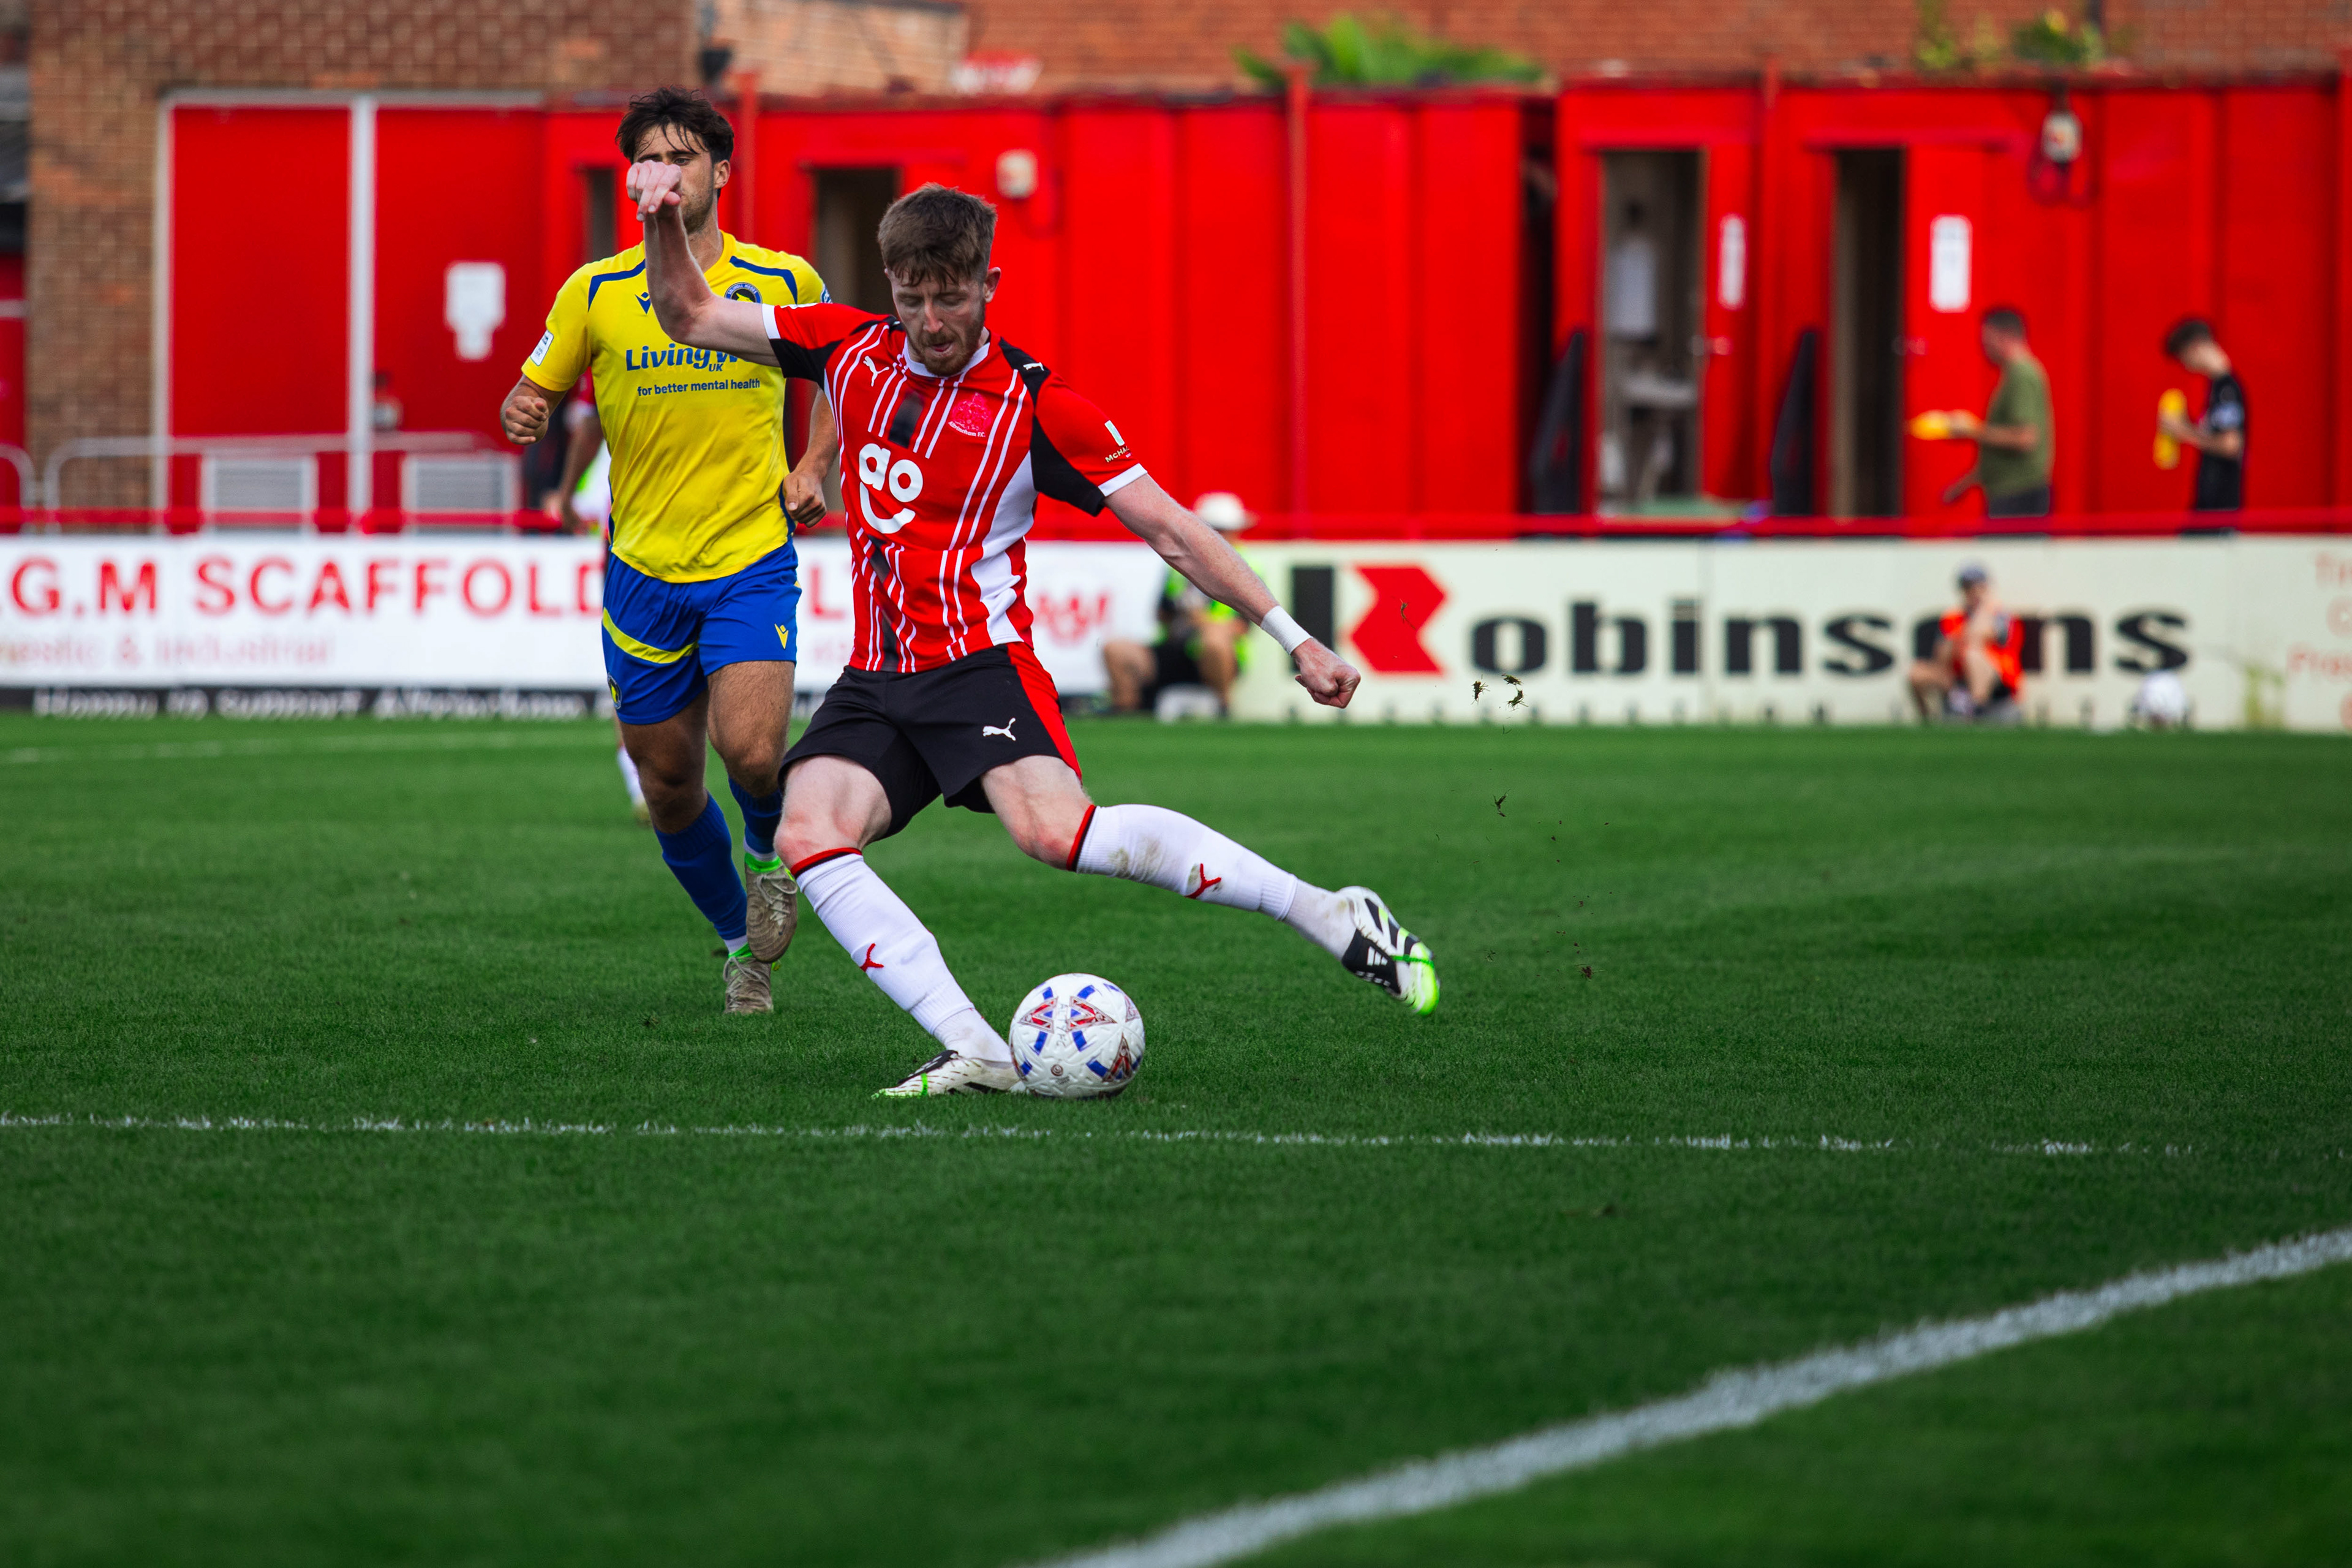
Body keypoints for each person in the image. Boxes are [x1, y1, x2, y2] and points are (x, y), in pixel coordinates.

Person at [631, 166, 1441, 1096]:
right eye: (912, 298)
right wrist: (662, 219)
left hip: (980, 668)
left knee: (1057, 834)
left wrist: (1296, 638)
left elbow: (1174, 531)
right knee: (811, 827)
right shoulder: (844, 347)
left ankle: (1328, 913)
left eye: (951, 298)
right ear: (890, 288)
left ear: (989, 287)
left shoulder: (1038, 407)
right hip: (878, 676)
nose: (932, 322)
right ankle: (976, 1050)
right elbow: (688, 312)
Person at [499, 86, 839, 1016]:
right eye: (651, 157)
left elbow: (843, 379)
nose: (668, 171)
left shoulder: (783, 282)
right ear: (633, 177)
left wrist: (812, 462)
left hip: (748, 556)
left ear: (720, 174)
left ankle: (768, 857)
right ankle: (741, 947)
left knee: (756, 755)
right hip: (642, 571)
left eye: (685, 156)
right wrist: (521, 411)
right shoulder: (594, 294)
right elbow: (529, 395)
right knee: (669, 781)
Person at [551, 371, 649, 826]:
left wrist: (569, 499)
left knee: (631, 672)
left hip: (627, 557)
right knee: (634, 672)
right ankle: (642, 784)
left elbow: (585, 503)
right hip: (632, 557)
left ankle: (645, 784)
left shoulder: (617, 387)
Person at [1101, 490, 1254, 715]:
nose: (1219, 535)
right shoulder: (1178, 566)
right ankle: (1127, 711)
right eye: (1213, 528)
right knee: (1115, 649)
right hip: (1174, 649)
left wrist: (1201, 622)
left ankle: (1224, 706)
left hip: (1212, 657)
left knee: (1215, 641)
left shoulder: (1248, 569)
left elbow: (1243, 627)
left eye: (1224, 529)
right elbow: (1161, 614)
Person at [1940, 306, 2053, 519]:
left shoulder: (2022, 376)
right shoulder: (2016, 375)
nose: (1983, 348)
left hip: (2019, 496)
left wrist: (1971, 430)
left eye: (1987, 340)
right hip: (2011, 493)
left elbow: (2025, 439)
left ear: (2005, 337)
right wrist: (1966, 483)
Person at [1908, 563, 2024, 723]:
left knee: (1973, 654)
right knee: (1918, 672)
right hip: (1960, 678)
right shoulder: (1953, 618)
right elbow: (1941, 658)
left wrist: (1983, 608)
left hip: (1998, 681)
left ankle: (1976, 709)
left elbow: (1981, 635)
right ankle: (1928, 720)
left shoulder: (2000, 614)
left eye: (1979, 587)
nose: (1974, 593)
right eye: (1969, 588)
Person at [2159, 318, 2247, 513]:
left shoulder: (2227, 389)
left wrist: (2183, 431)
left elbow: (2231, 445)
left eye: (2184, 358)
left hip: (2220, 512)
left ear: (2196, 348)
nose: (2185, 366)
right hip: (2208, 509)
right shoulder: (2218, 388)